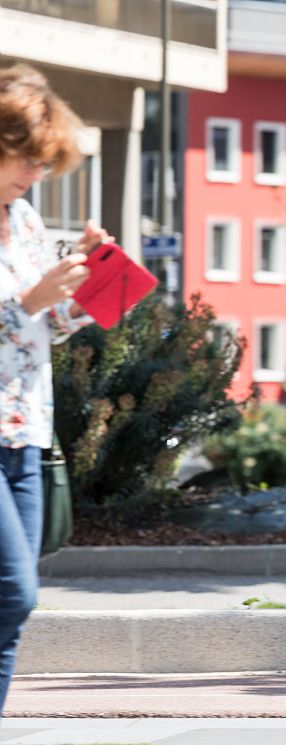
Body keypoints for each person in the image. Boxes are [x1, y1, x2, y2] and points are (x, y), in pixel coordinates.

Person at [0, 63, 109, 716]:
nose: (37, 174)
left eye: (45, 164)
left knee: (9, 610)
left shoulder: (26, 221)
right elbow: (23, 311)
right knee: (14, 593)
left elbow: (47, 327)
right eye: (26, 158)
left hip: (25, 432)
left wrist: (88, 280)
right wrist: (28, 301)